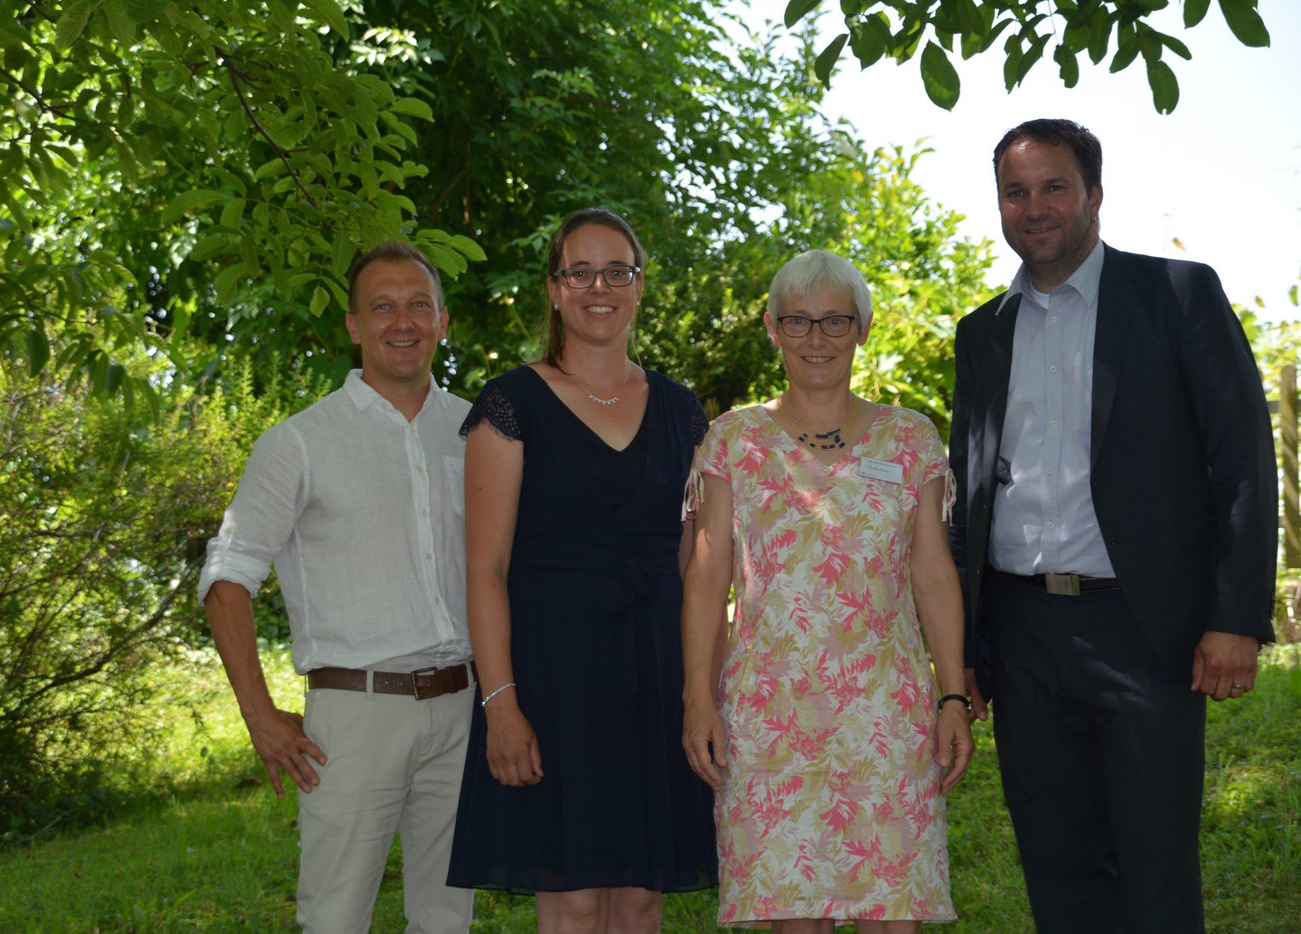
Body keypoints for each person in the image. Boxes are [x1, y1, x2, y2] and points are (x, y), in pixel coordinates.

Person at [948, 118, 1277, 933]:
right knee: (1056, 861)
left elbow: (1241, 460)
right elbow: (966, 486)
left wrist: (1234, 619)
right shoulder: (981, 332)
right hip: (1021, 630)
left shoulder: (1176, 295)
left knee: (1155, 862)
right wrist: (964, 651)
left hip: (1142, 626)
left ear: (1095, 194)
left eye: (1054, 186)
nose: (1035, 208)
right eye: (1015, 193)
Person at [681, 249, 973, 933]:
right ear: (772, 327)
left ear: (863, 328)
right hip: (770, 715)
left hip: (886, 716)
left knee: (891, 914)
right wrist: (700, 696)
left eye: (835, 321)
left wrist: (952, 693)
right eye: (799, 321)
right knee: (793, 918)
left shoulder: (910, 441)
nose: (817, 339)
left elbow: (933, 573)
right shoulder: (733, 441)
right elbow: (706, 575)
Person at [445, 207, 718, 932]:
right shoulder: (510, 406)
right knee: (569, 900)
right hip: (552, 679)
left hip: (656, 677)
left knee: (639, 897)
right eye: (581, 271)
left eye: (617, 271)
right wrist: (500, 705)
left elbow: (701, 567)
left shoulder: (682, 409)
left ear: (638, 284)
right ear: (555, 289)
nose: (601, 287)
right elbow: (484, 569)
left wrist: (702, 693)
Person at [200, 241, 475, 933]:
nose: (402, 321)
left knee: (448, 920)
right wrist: (260, 715)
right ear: (354, 325)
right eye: (382, 306)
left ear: (443, 320)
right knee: (335, 920)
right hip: (355, 716)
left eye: (418, 305)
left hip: (464, 707)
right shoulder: (299, 442)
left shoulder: (480, 432)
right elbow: (226, 576)